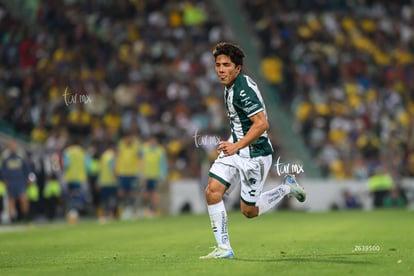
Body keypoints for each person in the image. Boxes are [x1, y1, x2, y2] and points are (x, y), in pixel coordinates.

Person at [200, 42, 306, 259]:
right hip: (236, 146)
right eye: (218, 65)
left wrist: (236, 146)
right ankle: (224, 248)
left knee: (249, 211)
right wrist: (234, 145)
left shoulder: (243, 90)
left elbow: (262, 124)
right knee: (212, 191)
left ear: (237, 68)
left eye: (226, 65)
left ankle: (286, 188)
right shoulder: (231, 86)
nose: (220, 69)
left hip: (255, 154)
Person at [1, 141, 32, 223]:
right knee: (11, 201)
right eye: (11, 147)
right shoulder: (6, 160)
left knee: (23, 199)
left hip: (20, 183)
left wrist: (29, 179)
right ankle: (12, 219)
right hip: (11, 183)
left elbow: (28, 171)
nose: (12, 148)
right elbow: (2, 172)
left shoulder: (21, 159)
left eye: (13, 146)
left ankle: (25, 217)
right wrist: (4, 180)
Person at [140, 135, 167, 217]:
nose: (152, 142)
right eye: (151, 140)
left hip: (156, 176)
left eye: (154, 141)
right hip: (146, 176)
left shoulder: (160, 150)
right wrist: (141, 174)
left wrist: (163, 176)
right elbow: (140, 162)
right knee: (146, 194)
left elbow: (163, 164)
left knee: (155, 195)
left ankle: (154, 211)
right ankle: (146, 210)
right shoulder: (144, 149)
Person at [97, 141, 118, 221]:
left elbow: (100, 169)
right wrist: (115, 178)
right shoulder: (113, 156)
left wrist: (98, 181)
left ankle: (106, 214)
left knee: (105, 199)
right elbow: (113, 168)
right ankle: (110, 215)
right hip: (111, 182)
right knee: (112, 199)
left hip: (103, 181)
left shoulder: (103, 156)